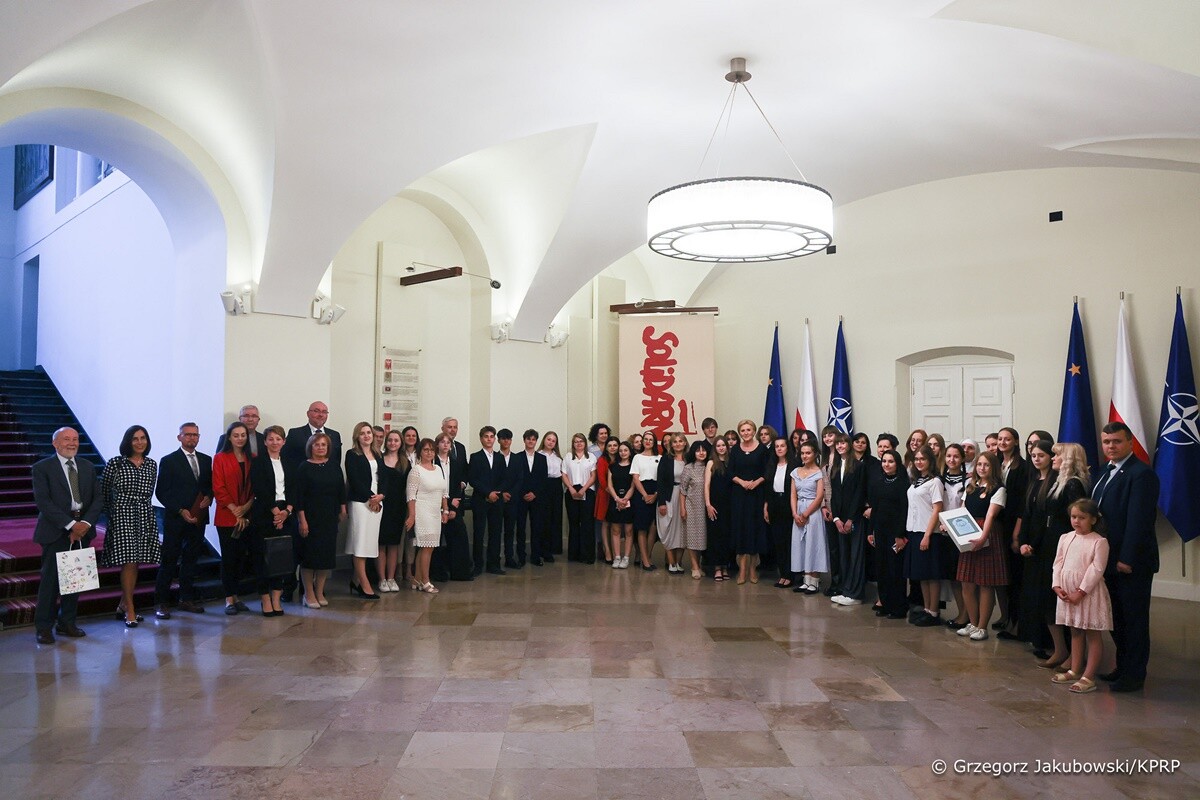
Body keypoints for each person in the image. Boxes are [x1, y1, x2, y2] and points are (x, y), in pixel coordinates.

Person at [1094, 421, 1160, 693]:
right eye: (1107, 442)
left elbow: (1139, 521)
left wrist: (1127, 559)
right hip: (1107, 559)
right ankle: (1121, 667)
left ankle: (1134, 675)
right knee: (1117, 618)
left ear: (1130, 442)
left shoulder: (1141, 474)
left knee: (1133, 620)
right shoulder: (1104, 471)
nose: (1111, 446)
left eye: (1117, 441)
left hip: (1130, 562)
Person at [31, 427, 102, 644]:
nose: (72, 443)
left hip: (84, 529)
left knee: (75, 580)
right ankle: (44, 627)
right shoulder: (42, 468)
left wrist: (84, 525)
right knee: (50, 582)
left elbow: (98, 499)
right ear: (55, 443)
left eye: (75, 439)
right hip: (55, 531)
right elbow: (43, 502)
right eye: (66, 439)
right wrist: (71, 525)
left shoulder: (87, 466)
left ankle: (67, 622)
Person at [1024, 442, 1089, 670]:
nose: (1053, 459)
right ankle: (1060, 649)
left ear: (1069, 458)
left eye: (1057, 455)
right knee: (1047, 598)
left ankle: (1073, 653)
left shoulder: (1073, 484)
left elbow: (1077, 520)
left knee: (1061, 599)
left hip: (1065, 544)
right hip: (1052, 543)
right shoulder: (1060, 481)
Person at [98, 425, 161, 627]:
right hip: (122, 514)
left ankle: (123, 604)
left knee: (136, 562)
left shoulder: (151, 464)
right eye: (135, 438)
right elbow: (104, 492)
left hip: (144, 514)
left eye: (143, 438)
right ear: (128, 441)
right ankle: (130, 610)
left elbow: (150, 492)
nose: (140, 442)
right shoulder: (115, 463)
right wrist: (114, 514)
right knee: (129, 561)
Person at [1050, 499, 1114, 694]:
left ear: (1093, 519)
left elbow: (1097, 569)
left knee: (1092, 633)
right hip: (1067, 592)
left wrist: (1081, 591)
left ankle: (1089, 676)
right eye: (1073, 517)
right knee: (1075, 630)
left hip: (1088, 593)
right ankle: (1075, 669)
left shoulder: (1099, 542)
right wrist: (1057, 585)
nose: (1076, 521)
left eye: (1082, 517)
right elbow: (1058, 563)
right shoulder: (1065, 537)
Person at [153, 422, 212, 619]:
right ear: (179, 437)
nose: (192, 438)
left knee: (191, 560)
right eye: (188, 434)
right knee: (169, 560)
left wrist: (210, 497)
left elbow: (209, 486)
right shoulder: (169, 460)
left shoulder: (206, 460)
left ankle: (186, 599)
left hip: (198, 518)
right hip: (176, 519)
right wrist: (180, 510)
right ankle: (161, 602)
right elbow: (162, 491)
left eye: (195, 435)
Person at [955, 452, 1008, 641]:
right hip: (968, 534)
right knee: (966, 581)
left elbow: (991, 515)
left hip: (987, 535)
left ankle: (982, 626)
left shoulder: (998, 489)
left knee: (985, 583)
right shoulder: (970, 487)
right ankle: (973, 622)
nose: (982, 468)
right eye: (979, 464)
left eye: (986, 465)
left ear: (993, 468)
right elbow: (961, 511)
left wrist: (983, 538)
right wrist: (951, 527)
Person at [294, 432, 346, 608]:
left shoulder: (334, 466)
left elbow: (341, 490)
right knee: (309, 558)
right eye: (317, 445)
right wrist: (302, 520)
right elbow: (299, 497)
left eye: (324, 445)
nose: (320, 448)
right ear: (311, 447)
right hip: (310, 517)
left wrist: (343, 509)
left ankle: (319, 591)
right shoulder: (304, 467)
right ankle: (308, 594)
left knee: (325, 557)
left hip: (329, 517)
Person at [247, 425, 296, 615]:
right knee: (262, 558)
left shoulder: (289, 462)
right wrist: (275, 511)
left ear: (284, 442)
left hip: (286, 513)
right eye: (271, 439)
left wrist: (287, 511)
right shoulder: (258, 462)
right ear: (265, 442)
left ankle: (276, 597)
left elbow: (294, 489)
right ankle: (265, 599)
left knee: (281, 558)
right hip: (264, 513)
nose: (275, 442)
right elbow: (259, 488)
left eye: (278, 439)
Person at [212, 421, 255, 616]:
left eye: (243, 435)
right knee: (229, 558)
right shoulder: (220, 458)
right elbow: (218, 487)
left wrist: (245, 508)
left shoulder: (252, 458)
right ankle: (229, 598)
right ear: (229, 437)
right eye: (236, 435)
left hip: (247, 515)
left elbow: (256, 487)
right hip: (227, 516)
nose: (240, 438)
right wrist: (234, 509)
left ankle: (237, 596)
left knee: (240, 559)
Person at [865, 450, 909, 617]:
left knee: (895, 569)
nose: (887, 464)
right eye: (884, 461)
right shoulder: (878, 482)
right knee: (882, 568)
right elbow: (874, 509)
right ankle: (885, 602)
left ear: (897, 463)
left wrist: (900, 535)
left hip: (895, 532)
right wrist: (870, 531)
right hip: (880, 530)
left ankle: (898, 607)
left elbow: (904, 511)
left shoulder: (903, 484)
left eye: (891, 461)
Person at [905, 445, 945, 626]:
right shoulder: (916, 480)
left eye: (923, 459)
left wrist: (927, 535)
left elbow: (937, 508)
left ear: (930, 461)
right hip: (914, 531)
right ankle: (927, 609)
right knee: (922, 574)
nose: (919, 462)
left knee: (931, 574)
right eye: (917, 459)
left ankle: (934, 611)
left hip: (928, 532)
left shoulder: (935, 482)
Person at [994, 426, 1029, 640]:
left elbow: (1022, 503)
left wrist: (1017, 533)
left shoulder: (1022, 467)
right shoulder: (996, 463)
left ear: (1016, 442)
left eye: (1007, 439)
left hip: (1013, 525)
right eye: (1000, 439)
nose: (1003, 442)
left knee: (1015, 577)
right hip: (998, 525)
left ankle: (1017, 624)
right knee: (1002, 576)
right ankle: (1006, 617)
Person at [827, 433, 867, 605]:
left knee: (855, 556)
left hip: (854, 518)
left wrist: (851, 518)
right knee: (844, 556)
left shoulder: (858, 466)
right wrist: (836, 518)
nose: (840, 446)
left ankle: (855, 594)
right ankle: (846, 590)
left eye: (843, 443)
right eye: (838, 444)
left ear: (849, 445)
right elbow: (834, 495)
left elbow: (859, 494)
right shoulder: (835, 466)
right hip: (840, 519)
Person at [345, 421, 384, 599]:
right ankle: (365, 584)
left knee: (369, 542)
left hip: (377, 502)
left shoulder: (378, 454)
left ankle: (355, 580)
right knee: (360, 543)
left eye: (369, 433)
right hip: (361, 502)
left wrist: (380, 496)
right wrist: (371, 497)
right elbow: (354, 480)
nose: (367, 436)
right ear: (357, 436)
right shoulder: (352, 454)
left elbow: (383, 478)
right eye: (363, 433)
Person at [407, 437, 449, 593]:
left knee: (427, 547)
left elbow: (444, 492)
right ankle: (425, 581)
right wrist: (412, 516)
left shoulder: (438, 469)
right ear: (420, 452)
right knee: (427, 548)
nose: (429, 453)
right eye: (426, 450)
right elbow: (411, 496)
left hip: (435, 513)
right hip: (422, 512)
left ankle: (417, 580)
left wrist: (445, 510)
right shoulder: (416, 470)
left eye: (432, 450)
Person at [730, 420, 769, 585]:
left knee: (754, 531)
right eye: (743, 430)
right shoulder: (735, 450)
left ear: (754, 431)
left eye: (748, 430)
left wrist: (756, 482)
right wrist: (742, 482)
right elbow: (730, 471)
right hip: (739, 495)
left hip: (756, 495)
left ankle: (753, 570)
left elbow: (768, 471)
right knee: (741, 531)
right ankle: (742, 570)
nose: (745, 433)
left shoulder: (762, 449)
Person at [789, 441, 827, 594]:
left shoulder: (819, 472)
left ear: (815, 454)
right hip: (798, 510)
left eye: (808, 453)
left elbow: (819, 497)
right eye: (802, 453)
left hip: (813, 512)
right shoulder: (795, 472)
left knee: (814, 543)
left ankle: (815, 581)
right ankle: (806, 579)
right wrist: (795, 513)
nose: (805, 456)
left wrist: (805, 514)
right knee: (802, 544)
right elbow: (793, 495)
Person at [435, 432, 473, 580]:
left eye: (448, 443)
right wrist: (445, 506)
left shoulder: (455, 463)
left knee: (459, 536)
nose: (445, 445)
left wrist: (453, 508)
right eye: (442, 442)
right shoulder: (432, 463)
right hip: (436, 506)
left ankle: (460, 572)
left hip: (453, 506)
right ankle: (438, 573)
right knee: (437, 540)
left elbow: (458, 486)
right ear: (437, 444)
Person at [468, 425, 506, 575]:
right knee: (479, 533)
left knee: (495, 533)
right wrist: (487, 493)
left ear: (495, 439)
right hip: (480, 500)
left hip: (496, 500)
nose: (489, 439)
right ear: (481, 439)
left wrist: (495, 493)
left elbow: (504, 478)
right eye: (486, 436)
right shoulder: (475, 457)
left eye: (491, 437)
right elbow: (473, 479)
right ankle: (478, 565)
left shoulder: (500, 457)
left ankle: (493, 564)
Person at [377, 429, 410, 592]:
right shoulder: (379, 459)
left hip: (398, 507)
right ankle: (382, 579)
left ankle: (391, 578)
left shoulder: (405, 462)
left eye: (396, 440)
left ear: (401, 443)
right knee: (381, 544)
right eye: (390, 440)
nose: (392, 443)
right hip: (381, 506)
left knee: (394, 544)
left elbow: (408, 488)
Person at [511, 429, 548, 566]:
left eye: (533, 439)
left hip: (536, 498)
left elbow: (543, 479)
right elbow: (515, 478)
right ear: (524, 440)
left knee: (536, 527)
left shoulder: (542, 458)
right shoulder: (517, 457)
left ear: (536, 441)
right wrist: (523, 494)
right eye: (528, 439)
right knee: (520, 528)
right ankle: (521, 556)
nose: (531, 441)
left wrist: (535, 493)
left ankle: (535, 556)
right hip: (521, 498)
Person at [763, 437, 794, 588]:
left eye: (782, 446)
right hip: (774, 504)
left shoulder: (794, 465)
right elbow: (768, 489)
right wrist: (766, 507)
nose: (780, 449)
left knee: (789, 541)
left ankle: (790, 575)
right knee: (778, 541)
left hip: (788, 504)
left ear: (787, 448)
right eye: (777, 446)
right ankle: (782, 574)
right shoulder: (772, 465)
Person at [655, 432, 688, 573]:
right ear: (671, 445)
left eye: (680, 441)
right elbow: (660, 481)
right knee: (667, 530)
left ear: (685, 443)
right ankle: (671, 562)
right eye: (675, 442)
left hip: (685, 498)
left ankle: (679, 562)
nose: (678, 444)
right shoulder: (666, 459)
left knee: (682, 531)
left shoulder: (689, 459)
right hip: (669, 497)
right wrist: (661, 502)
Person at [563, 433, 597, 564]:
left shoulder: (591, 457)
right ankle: (573, 554)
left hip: (587, 491)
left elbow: (593, 476)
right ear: (573, 444)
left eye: (581, 441)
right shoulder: (568, 457)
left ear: (585, 443)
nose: (579, 443)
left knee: (587, 523)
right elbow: (564, 474)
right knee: (574, 523)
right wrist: (571, 488)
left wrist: (583, 489)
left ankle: (587, 555)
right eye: (576, 441)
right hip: (571, 491)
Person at [631, 431, 662, 571]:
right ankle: (644, 560)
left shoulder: (660, 458)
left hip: (656, 491)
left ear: (654, 442)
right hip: (641, 492)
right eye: (646, 439)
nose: (648, 441)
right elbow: (635, 478)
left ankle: (648, 556)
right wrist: (644, 494)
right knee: (642, 527)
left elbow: (662, 478)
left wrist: (655, 495)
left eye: (651, 439)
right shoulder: (637, 457)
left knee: (653, 526)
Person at [679, 440, 709, 579]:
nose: (701, 453)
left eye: (704, 450)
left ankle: (700, 564)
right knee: (692, 537)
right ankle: (694, 566)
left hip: (706, 508)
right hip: (692, 507)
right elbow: (682, 490)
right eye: (698, 450)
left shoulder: (710, 466)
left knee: (703, 538)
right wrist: (682, 508)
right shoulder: (688, 468)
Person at [704, 436, 733, 581]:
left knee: (727, 536)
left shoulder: (731, 462)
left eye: (723, 445)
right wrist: (708, 504)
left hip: (729, 505)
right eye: (718, 446)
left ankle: (725, 566)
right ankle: (717, 568)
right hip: (714, 505)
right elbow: (707, 485)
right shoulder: (711, 463)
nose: (721, 448)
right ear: (715, 448)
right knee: (715, 536)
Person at [284, 401, 342, 466]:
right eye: (316, 411)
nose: (321, 415)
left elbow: (337, 461)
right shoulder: (295, 434)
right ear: (308, 414)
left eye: (324, 412)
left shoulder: (335, 435)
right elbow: (286, 459)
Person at [606, 442, 635, 568]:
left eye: (626, 450)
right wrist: (617, 499)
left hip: (629, 501)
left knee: (629, 531)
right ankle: (617, 557)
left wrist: (625, 499)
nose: (623, 453)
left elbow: (633, 486)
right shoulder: (612, 466)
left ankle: (626, 558)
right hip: (615, 500)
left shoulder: (634, 466)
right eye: (621, 450)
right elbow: (610, 485)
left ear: (630, 452)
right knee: (615, 530)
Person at [538, 431, 565, 559]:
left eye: (553, 441)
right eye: (548, 439)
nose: (550, 442)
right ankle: (544, 548)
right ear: (544, 440)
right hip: (543, 486)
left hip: (556, 486)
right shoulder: (538, 455)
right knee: (544, 518)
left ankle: (555, 547)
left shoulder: (558, 457)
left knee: (556, 516)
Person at [594, 438, 619, 565]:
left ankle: (616, 553)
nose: (613, 447)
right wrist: (612, 493)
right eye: (610, 445)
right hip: (605, 494)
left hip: (618, 496)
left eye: (615, 445)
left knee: (615, 525)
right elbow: (602, 481)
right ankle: (607, 552)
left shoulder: (621, 459)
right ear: (606, 448)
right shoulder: (602, 460)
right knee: (605, 524)